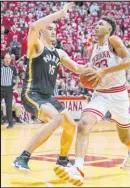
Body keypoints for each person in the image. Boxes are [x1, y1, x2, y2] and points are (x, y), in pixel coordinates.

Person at [56, 16, 130, 186]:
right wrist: (88, 77)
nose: (96, 25)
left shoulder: (113, 41)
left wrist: (103, 71)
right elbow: (92, 73)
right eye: (96, 22)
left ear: (109, 29)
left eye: (101, 24)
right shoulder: (92, 49)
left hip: (118, 95)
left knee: (126, 139)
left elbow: (129, 61)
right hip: (100, 94)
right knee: (83, 123)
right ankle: (78, 168)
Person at [12, 3, 87, 173]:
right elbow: (33, 26)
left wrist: (93, 69)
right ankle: (22, 157)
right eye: (49, 28)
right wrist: (59, 13)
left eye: (55, 29)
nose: (54, 31)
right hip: (31, 93)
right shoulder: (36, 46)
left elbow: (76, 68)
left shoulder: (59, 53)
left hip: (47, 96)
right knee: (56, 119)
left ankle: (62, 160)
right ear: (42, 31)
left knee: (70, 124)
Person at [1, 53, 19, 128]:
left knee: (9, 107)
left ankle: (10, 124)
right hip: (1, 88)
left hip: (9, 89)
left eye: (9, 58)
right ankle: (2, 119)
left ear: (10, 60)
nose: (7, 60)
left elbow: (17, 76)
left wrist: (16, 84)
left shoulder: (13, 68)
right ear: (3, 59)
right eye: (6, 58)